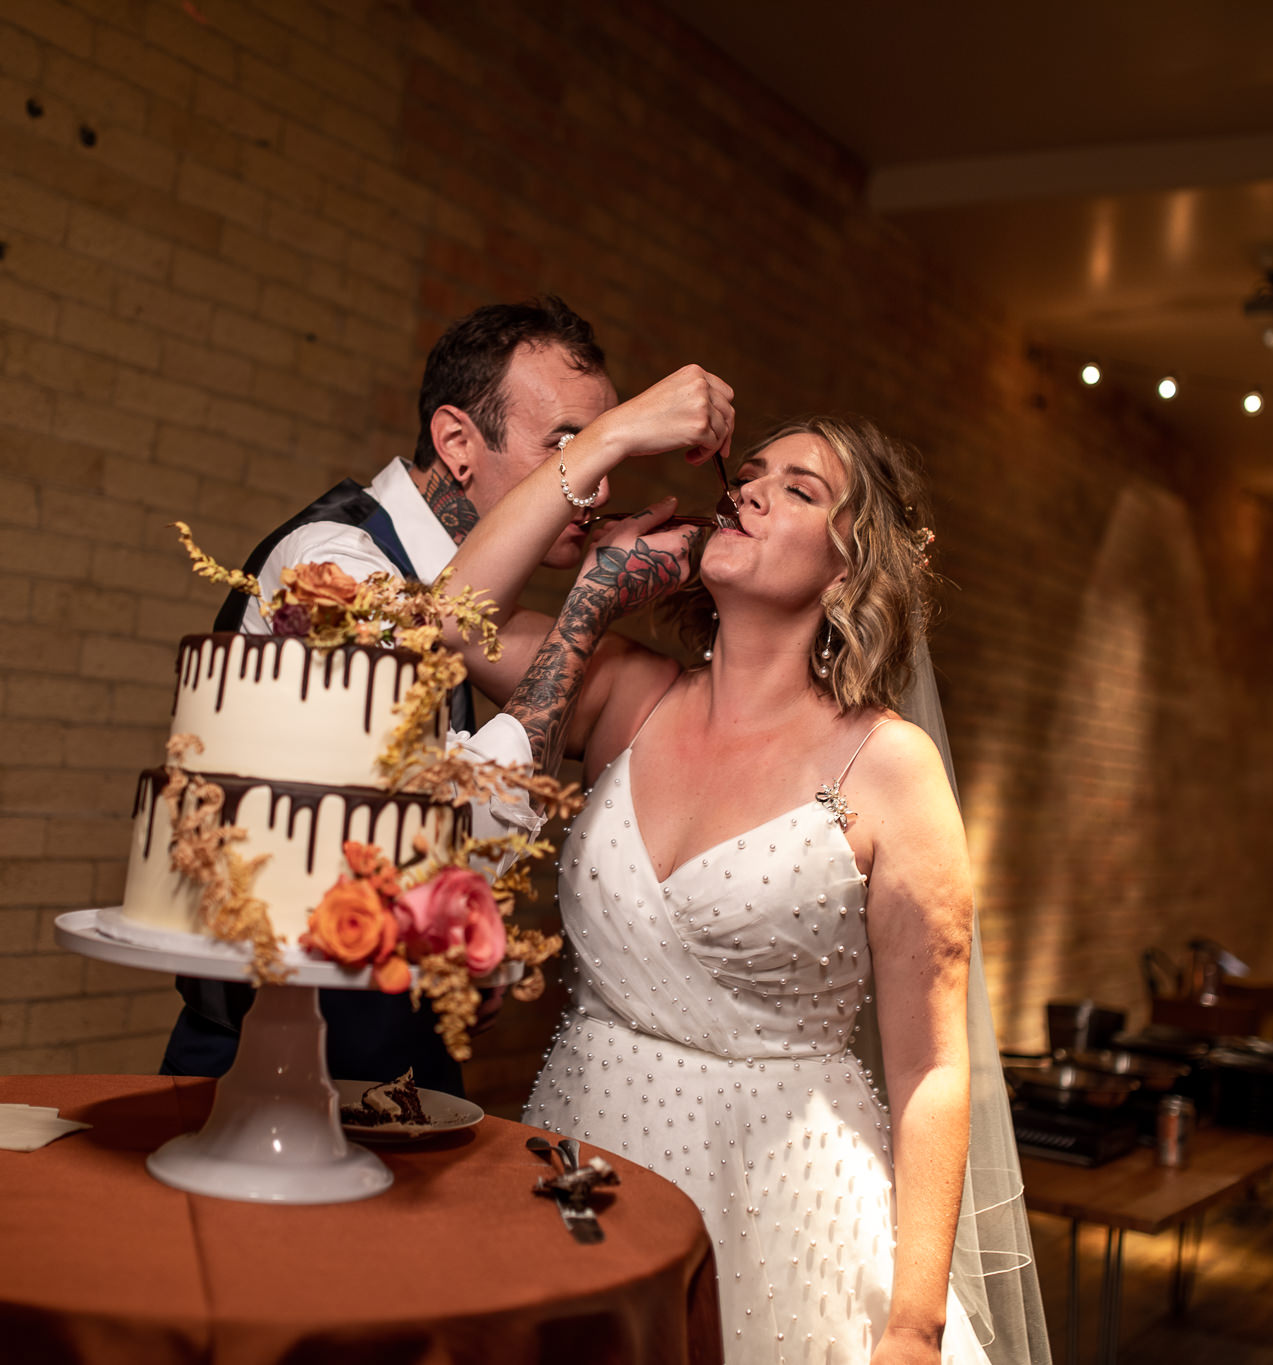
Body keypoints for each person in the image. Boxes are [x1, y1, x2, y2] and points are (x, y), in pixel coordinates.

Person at [440, 403, 1045, 1365]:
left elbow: (932, 1067)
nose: (753, 490)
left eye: (799, 489)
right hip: (586, 1150)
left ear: (852, 566)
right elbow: (442, 617)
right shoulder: (624, 693)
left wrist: (914, 1324)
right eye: (751, 475)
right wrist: (610, 466)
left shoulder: (891, 768)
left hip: (784, 1210)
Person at [159, 297, 619, 1091]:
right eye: (571, 448)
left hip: (407, 1049)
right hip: (270, 1063)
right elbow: (470, 805)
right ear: (456, 443)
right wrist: (596, 595)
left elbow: (414, 844)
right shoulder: (336, 568)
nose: (599, 486)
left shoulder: (464, 587)